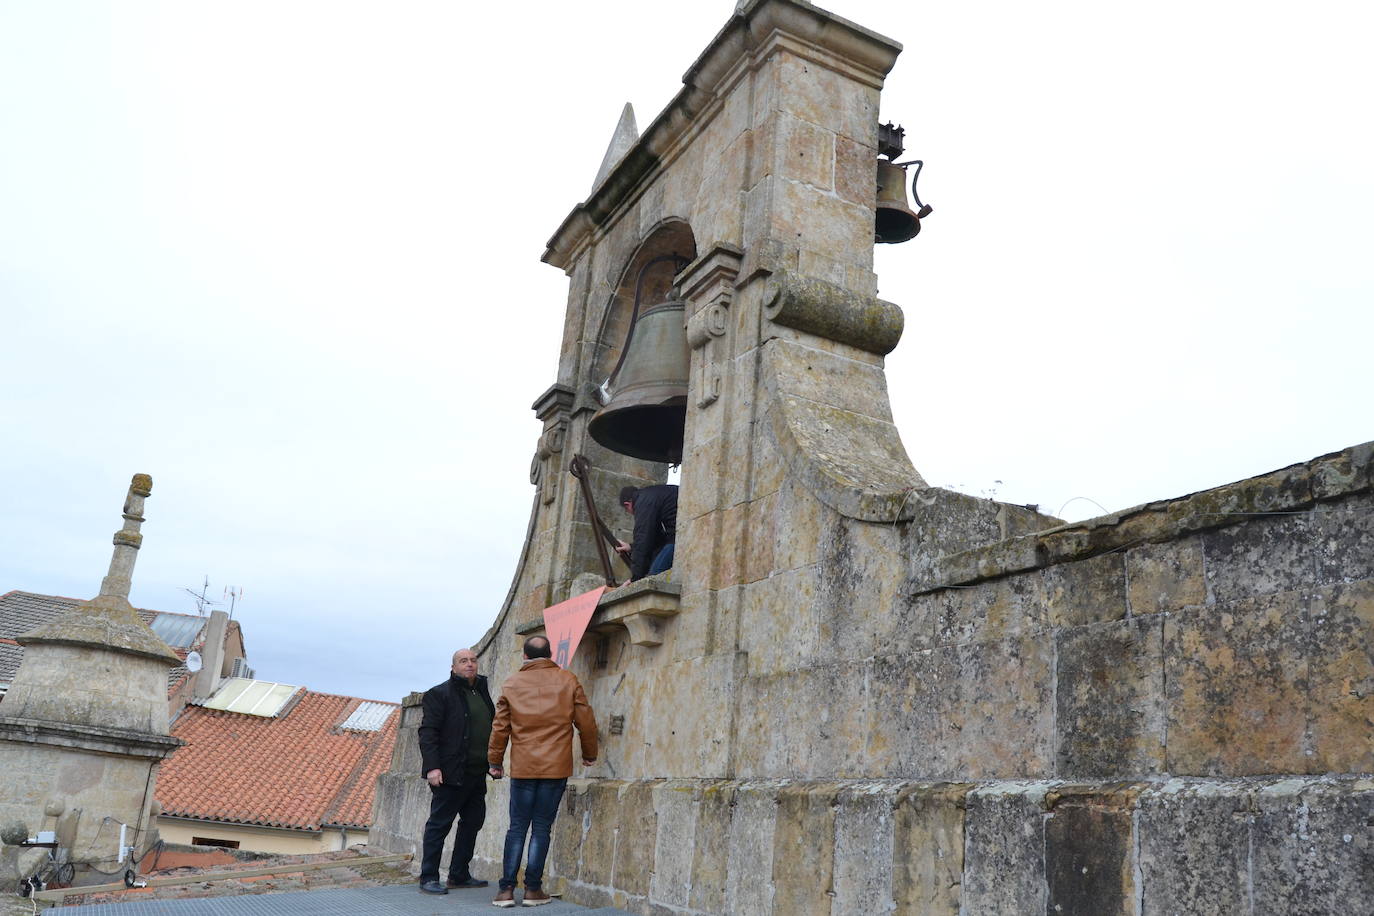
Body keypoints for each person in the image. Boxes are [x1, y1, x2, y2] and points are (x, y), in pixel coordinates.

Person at [486, 635, 597, 908]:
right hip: (555, 766)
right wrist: (590, 753)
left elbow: (500, 728)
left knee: (516, 828)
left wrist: (495, 761)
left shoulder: (512, 683)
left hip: (523, 767)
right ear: (551, 656)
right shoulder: (568, 680)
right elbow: (586, 721)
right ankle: (533, 890)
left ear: (525, 656)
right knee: (541, 828)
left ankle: (505, 891)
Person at [416, 648, 495, 895]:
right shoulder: (439, 694)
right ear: (453, 667)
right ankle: (428, 877)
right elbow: (428, 733)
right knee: (439, 825)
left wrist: (494, 762)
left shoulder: (481, 691)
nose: (470, 664)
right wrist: (432, 767)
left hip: (476, 772)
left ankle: (459, 874)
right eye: (463, 661)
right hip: (449, 773)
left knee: (473, 822)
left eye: (473, 660)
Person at [613, 483, 677, 581]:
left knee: (654, 577)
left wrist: (635, 578)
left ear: (627, 504)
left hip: (677, 538)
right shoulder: (650, 496)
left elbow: (643, 538)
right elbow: (654, 536)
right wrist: (631, 547)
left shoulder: (642, 503)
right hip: (678, 534)